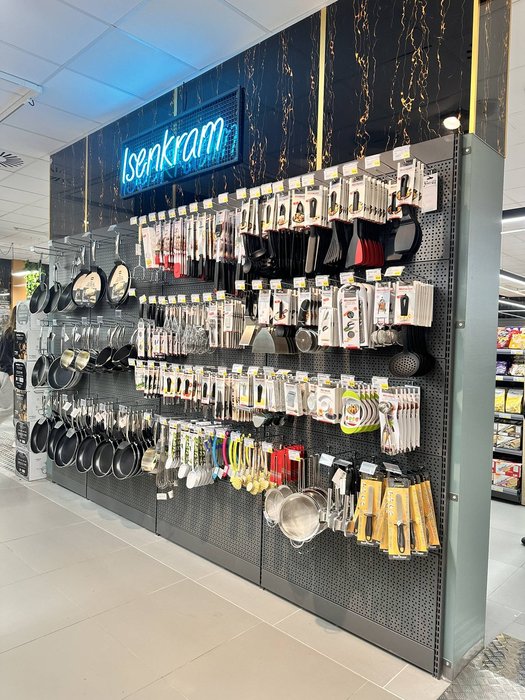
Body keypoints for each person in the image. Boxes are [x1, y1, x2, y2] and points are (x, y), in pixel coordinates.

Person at [0, 306, 15, 428]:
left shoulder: (9, 331)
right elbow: (4, 356)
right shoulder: (10, 333)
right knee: (8, 407)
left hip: (6, 372)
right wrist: (10, 373)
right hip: (6, 374)